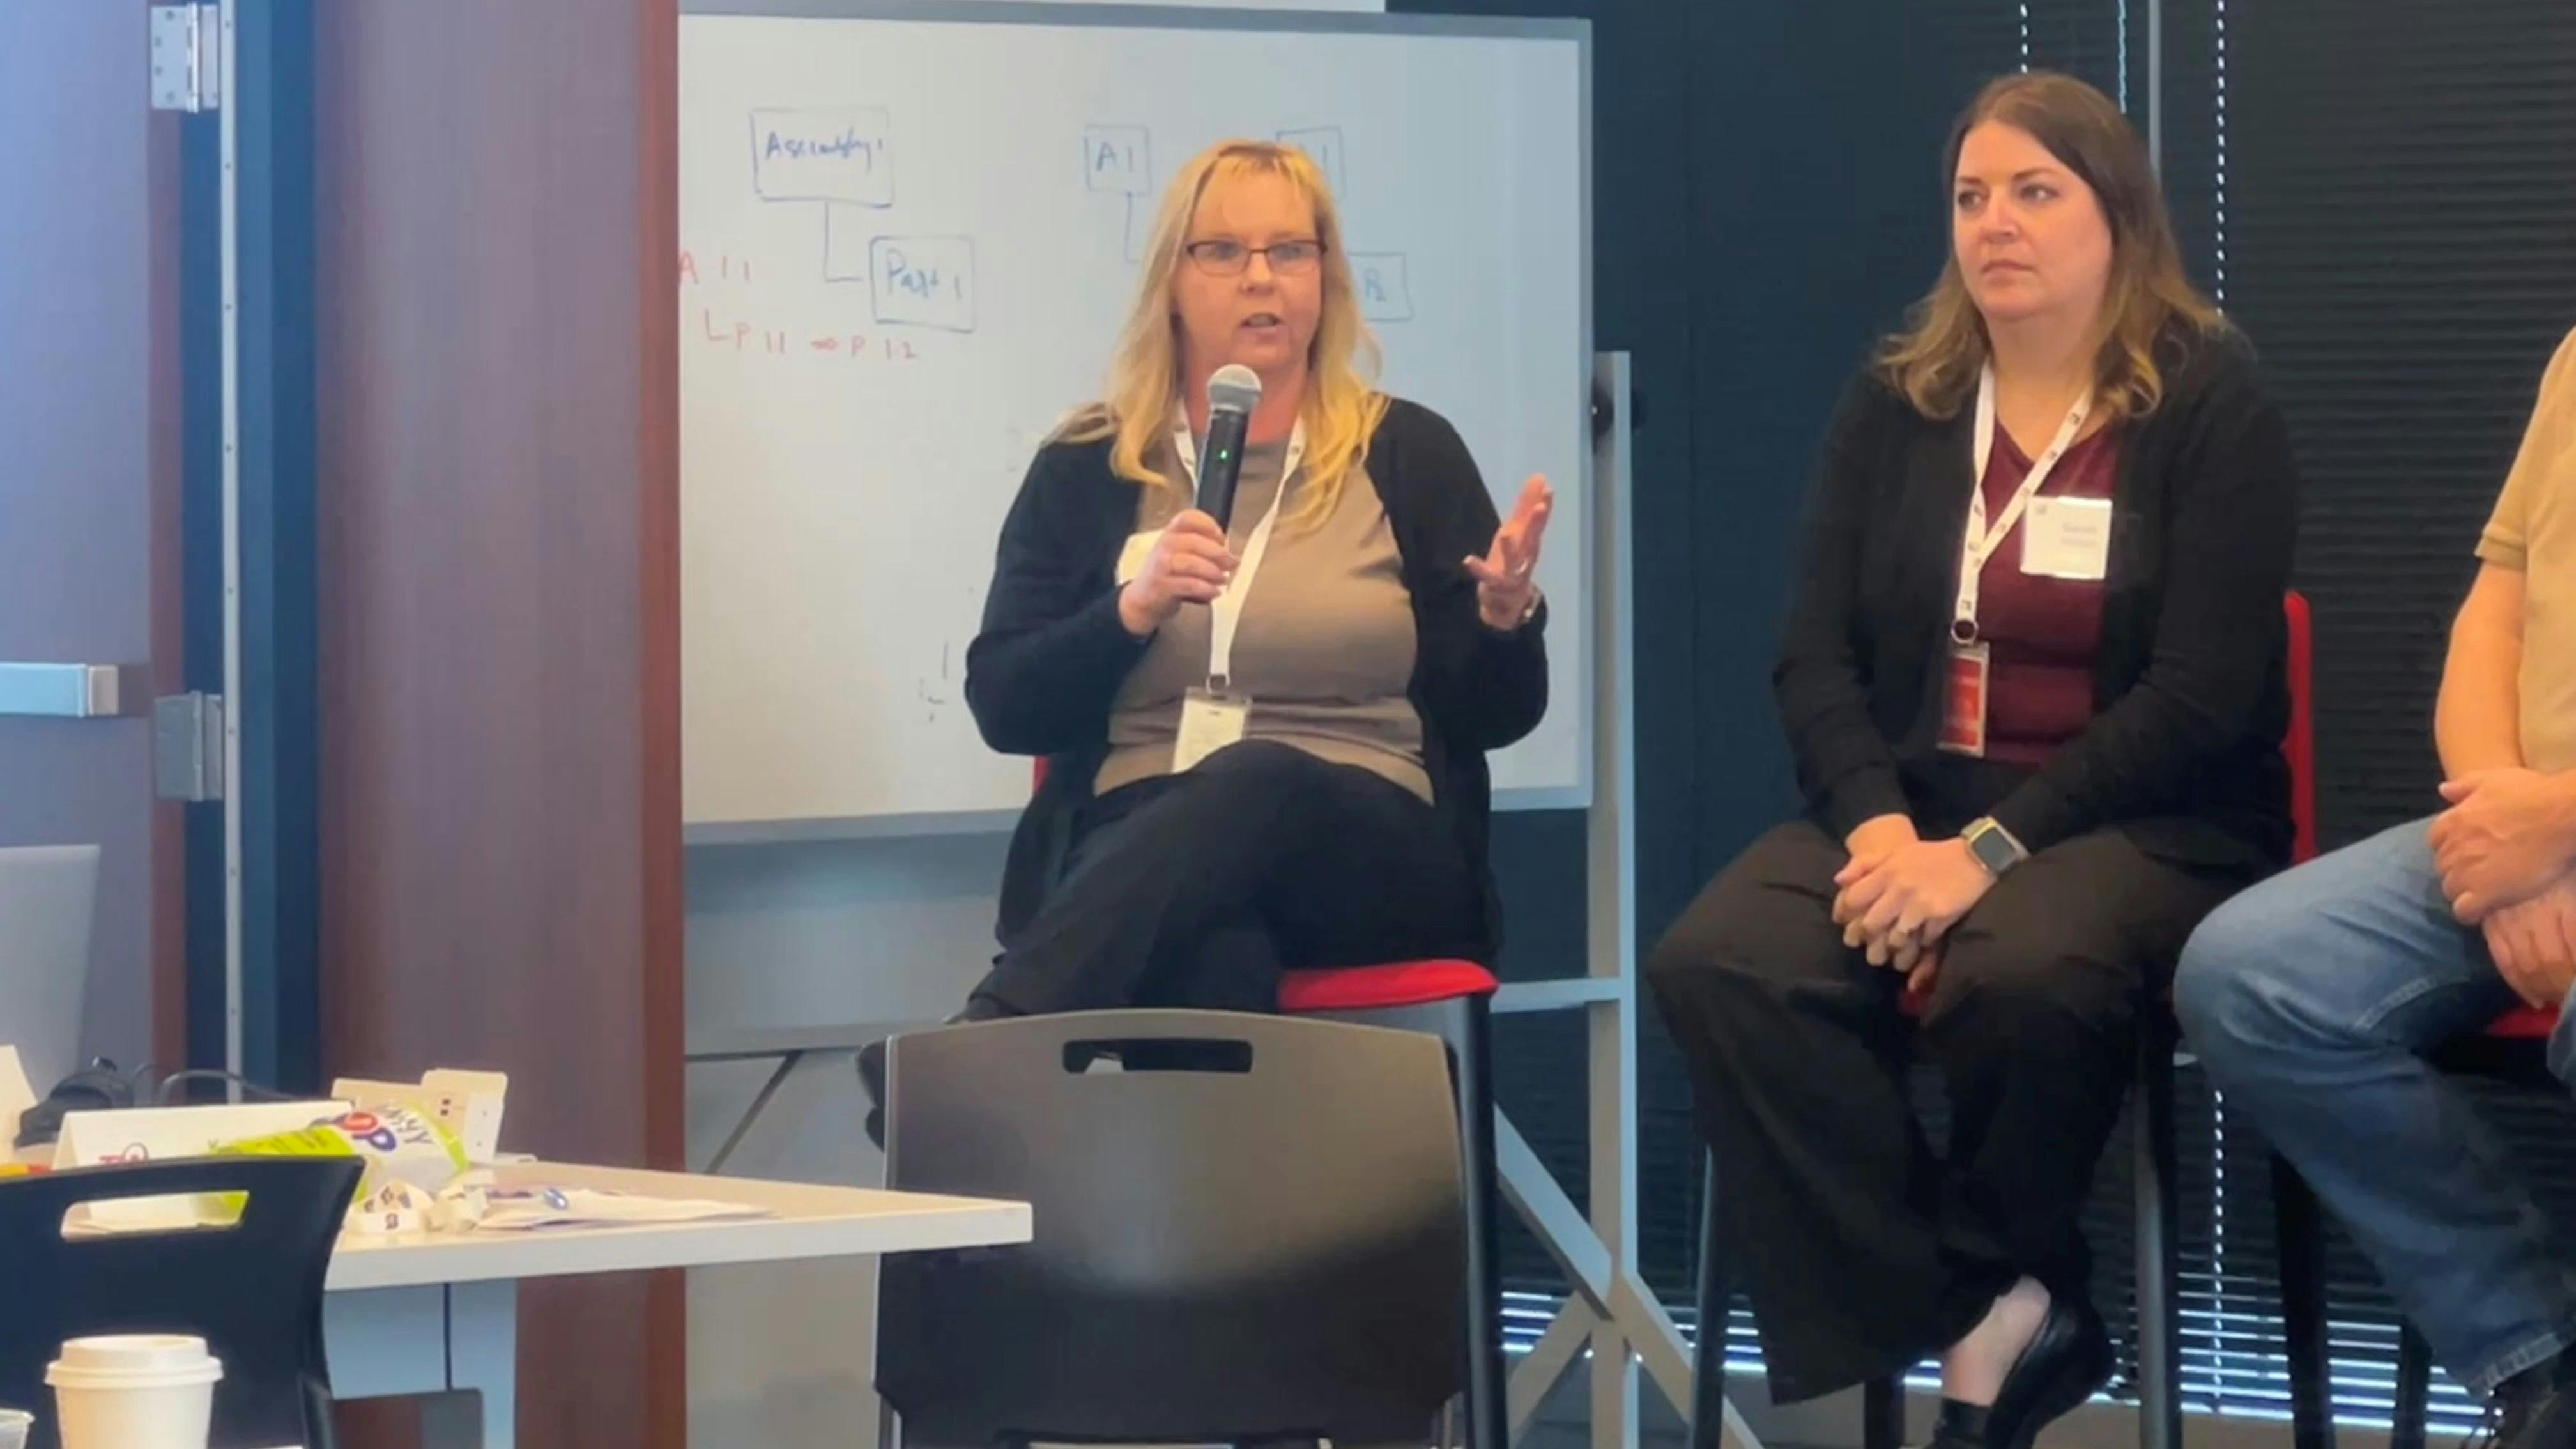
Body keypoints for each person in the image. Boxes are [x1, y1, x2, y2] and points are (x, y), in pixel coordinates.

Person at [1644, 72, 2301, 1449]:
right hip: (1917, 806)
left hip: (2139, 824)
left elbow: (2204, 692)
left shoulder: (2205, 396)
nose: (1994, 222)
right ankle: (1993, 1297)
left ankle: (1988, 1315)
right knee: (1722, 960)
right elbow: (1813, 659)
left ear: (2116, 214)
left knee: (2020, 973)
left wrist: (1986, 858)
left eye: (2034, 191)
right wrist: (1883, 832)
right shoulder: (1905, 402)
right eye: (1970, 196)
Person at [858, 139, 1556, 1138]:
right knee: (1206, 955)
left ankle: (987, 1044)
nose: (1262, 278)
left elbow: (1494, 714)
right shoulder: (1089, 466)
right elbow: (1004, 703)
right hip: (1144, 830)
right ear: (1173, 285)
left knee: (1256, 775)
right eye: (1223, 251)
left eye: (1291, 252)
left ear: (1327, 279)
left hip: (1371, 846)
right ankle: (1232, 1287)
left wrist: (1503, 621)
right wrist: (1128, 613)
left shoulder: (1407, 451)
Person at [2175, 325, 2576, 1449]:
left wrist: (2554, 827)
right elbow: (2493, 613)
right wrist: (2499, 824)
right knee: (2253, 975)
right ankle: (2538, 1358)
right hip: (2519, 821)